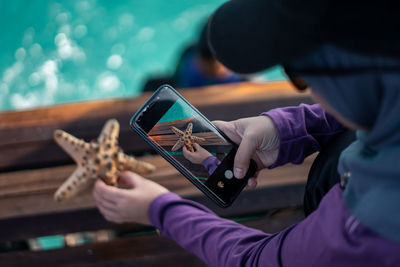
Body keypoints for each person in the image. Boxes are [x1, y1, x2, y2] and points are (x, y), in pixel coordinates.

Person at [93, 0, 400, 266]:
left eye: (297, 74)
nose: (310, 93)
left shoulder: (363, 231)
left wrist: (159, 208)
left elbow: (253, 259)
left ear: (352, 80)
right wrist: (288, 129)